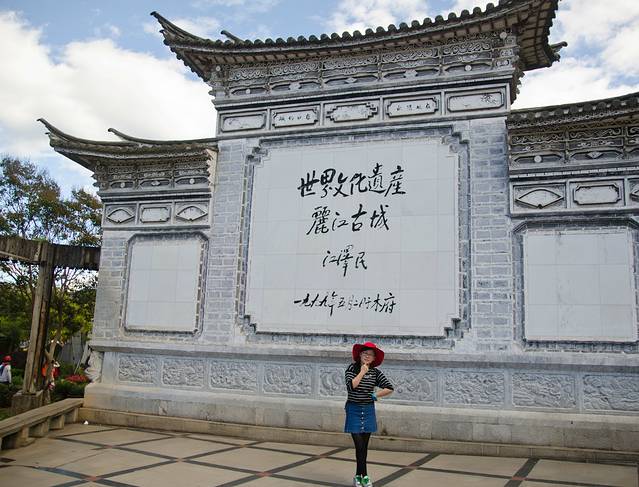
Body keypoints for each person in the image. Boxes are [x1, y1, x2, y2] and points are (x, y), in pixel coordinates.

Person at [344, 342, 394, 487]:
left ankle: (361, 477)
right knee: (359, 445)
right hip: (353, 409)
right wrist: (362, 372)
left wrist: (375, 395)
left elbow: (389, 387)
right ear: (360, 355)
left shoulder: (375, 373)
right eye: (365, 353)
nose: (367, 356)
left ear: (373, 358)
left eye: (370, 355)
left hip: (368, 410)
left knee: (364, 446)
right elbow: (351, 386)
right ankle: (362, 475)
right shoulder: (351, 369)